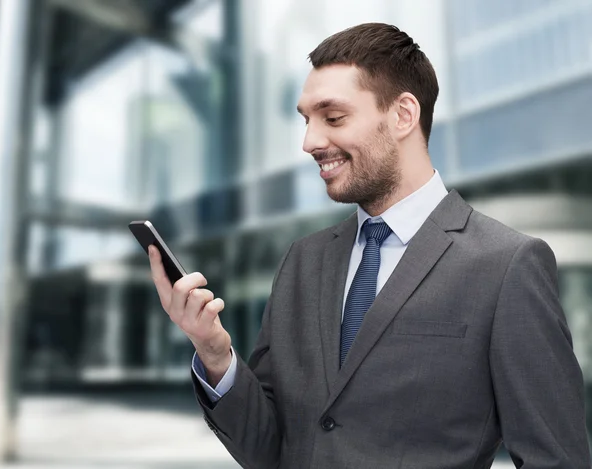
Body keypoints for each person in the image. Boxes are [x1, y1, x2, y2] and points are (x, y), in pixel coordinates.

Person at [148, 23, 591, 468]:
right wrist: (214, 351)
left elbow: (555, 459)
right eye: (306, 120)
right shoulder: (304, 260)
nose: (310, 142)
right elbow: (270, 450)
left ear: (403, 115)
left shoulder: (505, 264)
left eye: (333, 117)